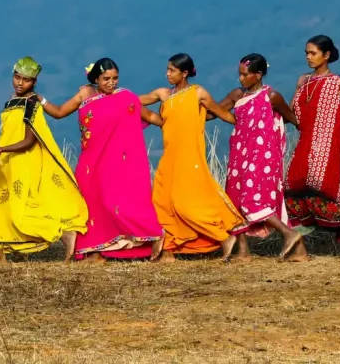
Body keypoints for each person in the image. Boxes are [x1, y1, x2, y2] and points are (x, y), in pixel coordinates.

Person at [39, 58, 165, 262]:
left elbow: (149, 116)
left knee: (113, 203)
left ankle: (154, 235)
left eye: (115, 78)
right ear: (95, 78)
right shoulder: (84, 94)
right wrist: (40, 100)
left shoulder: (125, 97)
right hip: (90, 161)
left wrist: (175, 121)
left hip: (116, 162)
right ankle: (97, 251)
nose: (111, 83)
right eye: (106, 79)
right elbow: (59, 113)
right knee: (90, 204)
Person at [0, 57, 88, 264]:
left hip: (20, 160)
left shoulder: (30, 104)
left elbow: (28, 141)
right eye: (17, 77)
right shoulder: (12, 100)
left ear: (34, 83)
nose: (20, 83)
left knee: (20, 208)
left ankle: (62, 234)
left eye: (26, 80)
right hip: (6, 161)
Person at [141, 53, 246, 262]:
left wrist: (248, 123)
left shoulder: (197, 93)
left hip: (190, 157)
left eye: (172, 70)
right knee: (162, 201)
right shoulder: (164, 94)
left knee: (184, 203)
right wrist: (153, 119)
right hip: (169, 157)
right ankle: (169, 251)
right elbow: (131, 102)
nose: (167, 74)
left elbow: (221, 113)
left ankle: (223, 237)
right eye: (168, 69)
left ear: (185, 73)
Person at [285, 35, 340, 260]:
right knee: (292, 193)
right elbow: (291, 113)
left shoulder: (337, 82)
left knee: (318, 195)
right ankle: (300, 250)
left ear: (326, 56)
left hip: (327, 148)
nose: (308, 57)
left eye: (313, 53)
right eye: (306, 53)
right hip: (304, 144)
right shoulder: (302, 81)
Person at [214, 53, 306, 262]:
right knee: (235, 198)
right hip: (239, 153)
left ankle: (288, 233)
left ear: (258, 74)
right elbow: (215, 111)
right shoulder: (237, 95)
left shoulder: (271, 97)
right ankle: (244, 252)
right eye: (239, 74)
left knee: (253, 199)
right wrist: (198, 101)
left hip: (263, 156)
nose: (241, 79)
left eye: (245, 75)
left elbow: (292, 119)